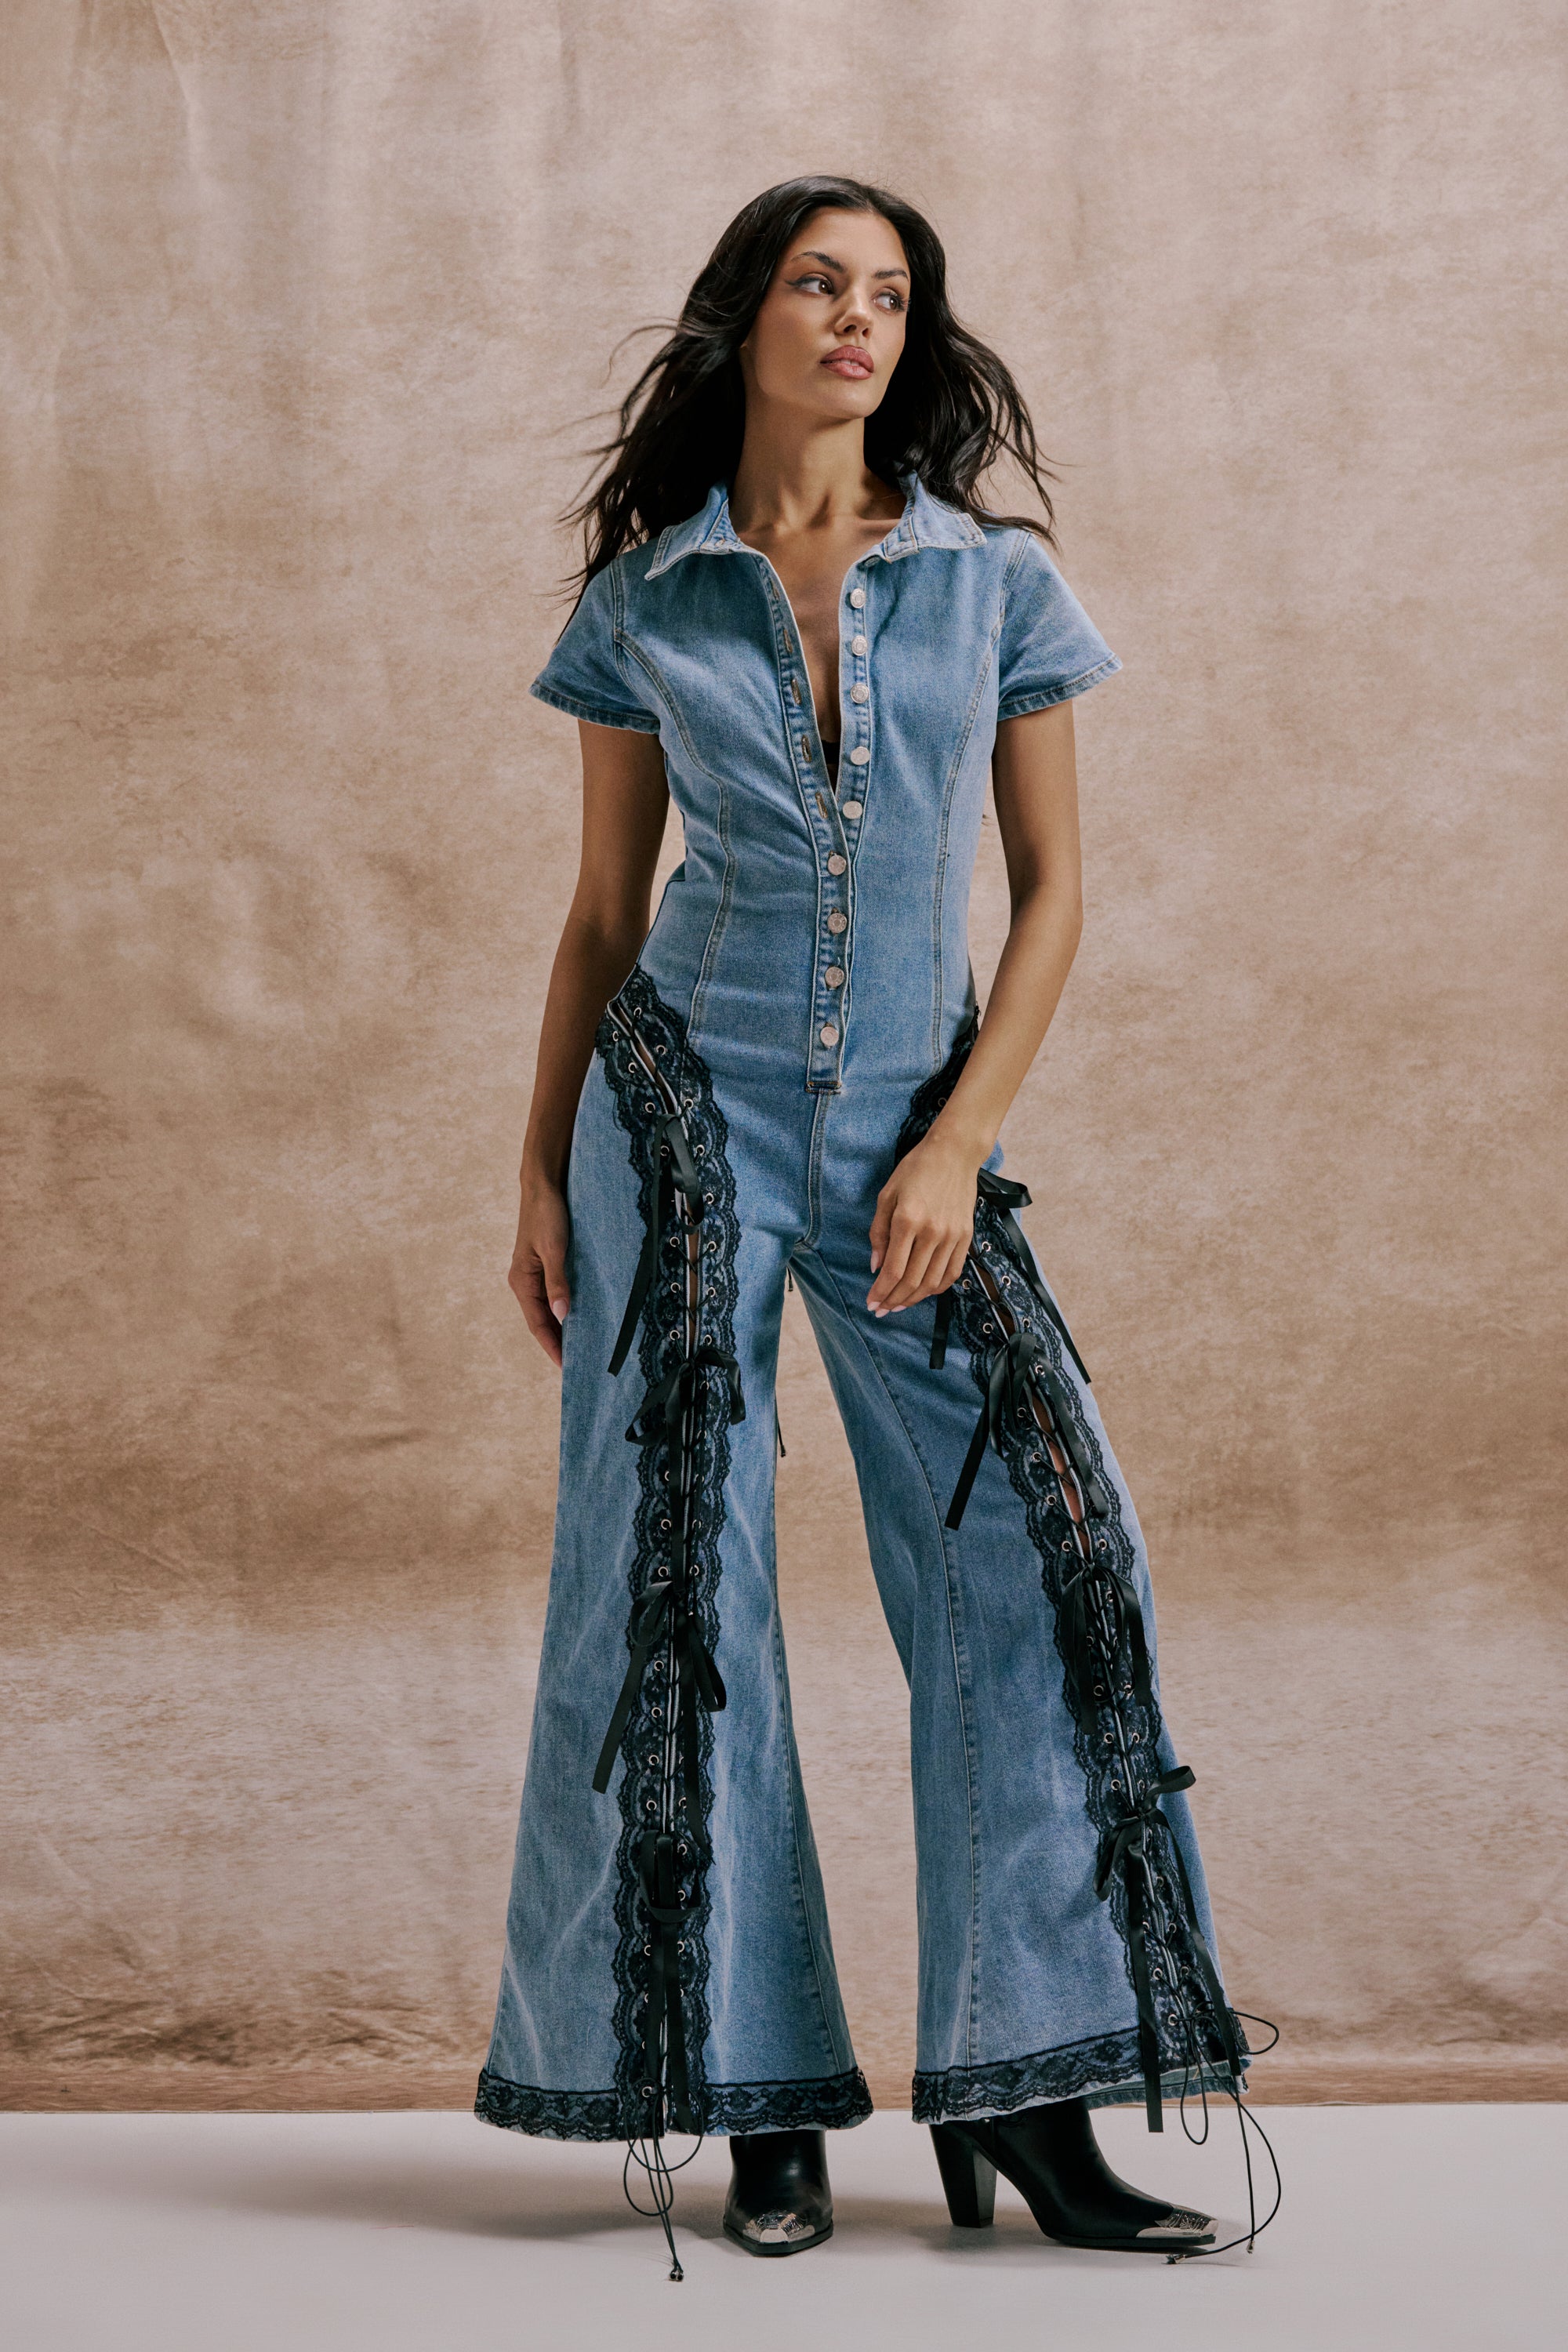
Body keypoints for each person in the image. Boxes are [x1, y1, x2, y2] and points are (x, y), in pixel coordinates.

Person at [476, 175, 1253, 2273]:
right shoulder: (648, 598)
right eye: (823, 283)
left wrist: (953, 1146)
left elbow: (1055, 895)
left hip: (913, 1134)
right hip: (681, 1131)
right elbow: (599, 916)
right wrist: (542, 1168)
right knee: (680, 1610)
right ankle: (761, 2116)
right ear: (748, 316)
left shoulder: (994, 585)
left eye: (893, 293)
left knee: (1046, 1555)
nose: (861, 319)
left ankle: (1036, 2099)